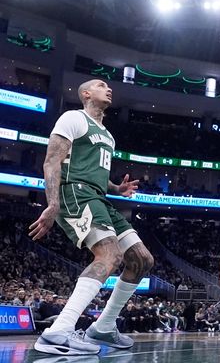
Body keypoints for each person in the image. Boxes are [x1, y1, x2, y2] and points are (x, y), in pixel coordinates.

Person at [29, 79, 155, 355]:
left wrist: (115, 187)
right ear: (86, 93)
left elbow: (93, 169)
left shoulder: (108, 135)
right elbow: (52, 160)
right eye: (101, 85)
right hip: (75, 193)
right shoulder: (73, 118)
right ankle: (58, 332)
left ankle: (104, 327)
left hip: (99, 196)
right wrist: (52, 204)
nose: (108, 88)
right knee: (110, 255)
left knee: (141, 259)